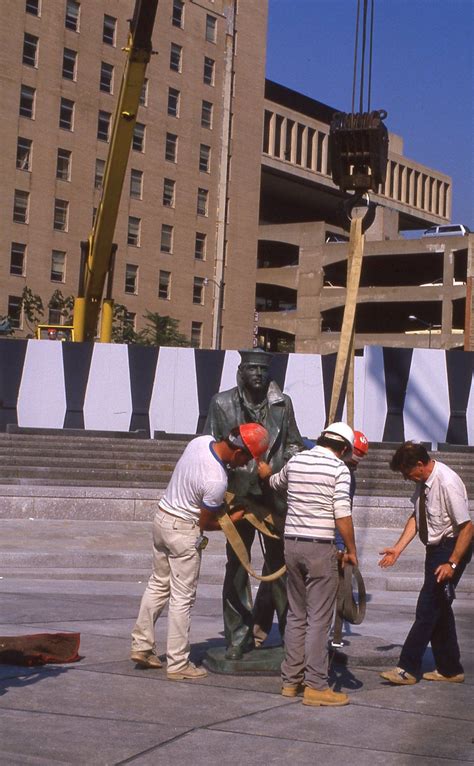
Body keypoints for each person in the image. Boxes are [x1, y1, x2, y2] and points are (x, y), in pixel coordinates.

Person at [130, 423, 270, 680]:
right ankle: (178, 663)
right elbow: (206, 523)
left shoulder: (200, 442)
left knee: (158, 584)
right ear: (239, 453)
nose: (245, 464)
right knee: (183, 598)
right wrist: (235, 518)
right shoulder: (216, 479)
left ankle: (141, 645)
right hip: (183, 531)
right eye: (247, 458)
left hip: (162, 518)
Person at [204, 349, 304, 660]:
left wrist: (276, 469)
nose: (258, 374)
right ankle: (239, 637)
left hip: (273, 496)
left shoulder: (282, 403)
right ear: (242, 371)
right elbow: (212, 446)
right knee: (236, 569)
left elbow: (294, 444)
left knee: (282, 569)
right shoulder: (221, 403)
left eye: (263, 369)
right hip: (239, 497)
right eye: (252, 368)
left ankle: (293, 638)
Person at [259, 422, 358, 707]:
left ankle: (290, 681)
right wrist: (351, 550)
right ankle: (316, 685)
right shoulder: (339, 469)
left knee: (296, 615)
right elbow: (341, 513)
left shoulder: (297, 460)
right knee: (318, 619)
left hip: (292, 544)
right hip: (320, 547)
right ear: (342, 448)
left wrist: (265, 473)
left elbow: (275, 482)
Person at [379, 441, 473, 685]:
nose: (406, 478)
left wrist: (452, 564)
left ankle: (407, 668)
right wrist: (397, 549)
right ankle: (450, 669)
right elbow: (416, 517)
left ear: (420, 465)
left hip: (451, 548)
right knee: (440, 608)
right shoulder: (424, 482)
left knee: (427, 607)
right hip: (436, 550)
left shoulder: (447, 482)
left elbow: (467, 528)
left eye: (407, 473)